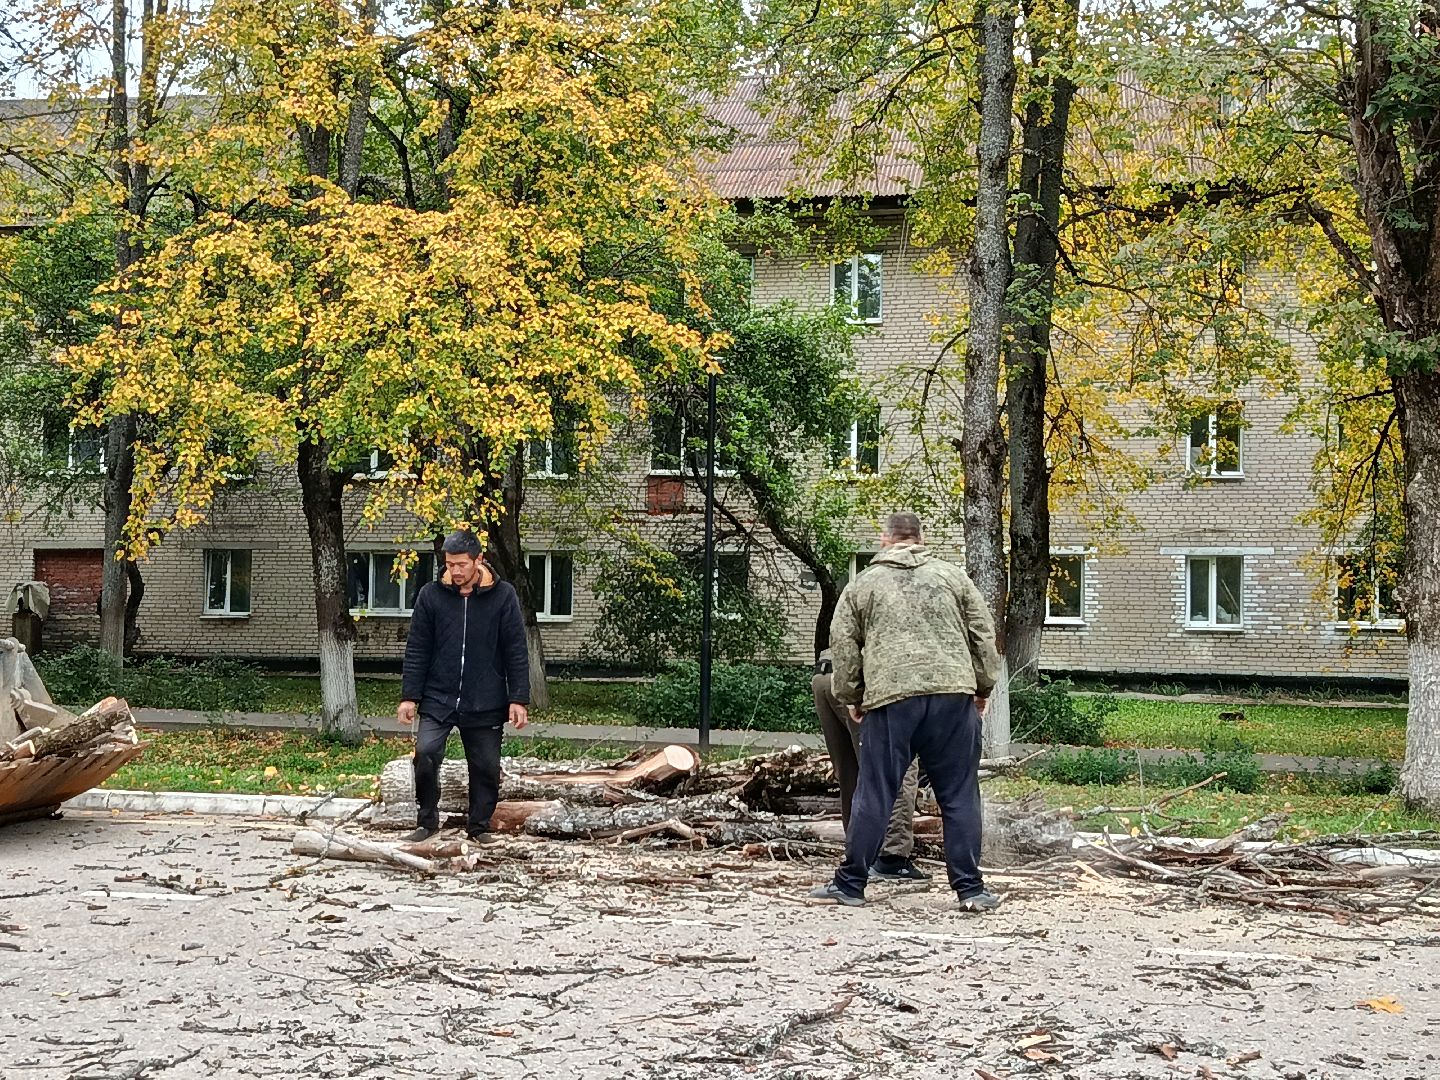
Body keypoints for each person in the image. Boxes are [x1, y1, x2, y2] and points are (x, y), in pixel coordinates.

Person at [809, 512, 1003, 912]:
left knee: (876, 790)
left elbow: (843, 646)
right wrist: (982, 687)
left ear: (885, 540)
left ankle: (850, 884)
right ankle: (971, 890)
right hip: (953, 695)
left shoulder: (862, 587)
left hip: (891, 698)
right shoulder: (953, 578)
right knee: (960, 794)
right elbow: (984, 635)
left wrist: (852, 696)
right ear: (920, 539)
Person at [397, 529, 531, 842]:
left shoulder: (503, 595)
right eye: (449, 564)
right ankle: (426, 822)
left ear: (479, 560)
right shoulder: (431, 596)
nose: (454, 571)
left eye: (461, 564)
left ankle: (479, 827)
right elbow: (417, 648)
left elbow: (515, 648)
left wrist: (518, 698)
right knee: (426, 754)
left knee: (485, 766)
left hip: (485, 699)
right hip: (438, 698)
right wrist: (409, 697)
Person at [812, 648, 927, 881]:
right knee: (898, 767)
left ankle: (860, 852)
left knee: (850, 772)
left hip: (827, 673)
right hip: (868, 676)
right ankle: (892, 858)